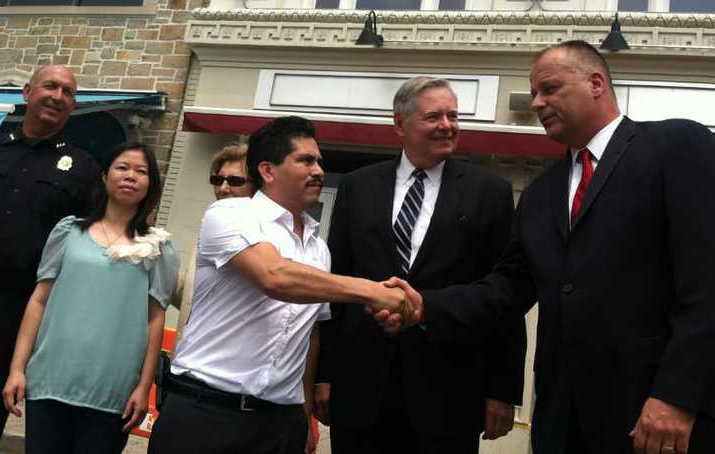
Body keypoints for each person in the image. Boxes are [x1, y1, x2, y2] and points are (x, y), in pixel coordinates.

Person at [378, 40, 715, 454]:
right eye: (534, 93)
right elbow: (508, 288)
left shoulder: (675, 146)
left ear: (596, 83)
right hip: (562, 420)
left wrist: (678, 395)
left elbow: (706, 282)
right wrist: (425, 306)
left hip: (656, 419)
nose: (537, 103)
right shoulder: (541, 193)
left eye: (549, 88)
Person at [147, 116, 412, 454]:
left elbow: (308, 337)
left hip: (279, 424)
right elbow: (274, 276)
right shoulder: (230, 213)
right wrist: (373, 291)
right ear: (268, 171)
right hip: (206, 412)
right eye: (305, 160)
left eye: (319, 161)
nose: (318, 170)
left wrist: (303, 420)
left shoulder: (318, 247)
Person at [315, 77, 526, 454]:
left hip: (449, 393)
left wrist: (501, 390)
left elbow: (505, 295)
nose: (447, 125)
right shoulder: (356, 187)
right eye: (434, 116)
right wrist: (324, 375)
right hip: (361, 388)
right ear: (400, 124)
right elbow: (336, 284)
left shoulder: (489, 192)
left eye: (453, 115)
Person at [1, 142, 179, 453]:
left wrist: (143, 386)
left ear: (151, 184)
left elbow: (155, 318)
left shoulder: (158, 247)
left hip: (113, 391)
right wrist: (18, 369)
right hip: (50, 380)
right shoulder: (69, 232)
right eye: (122, 167)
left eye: (141, 171)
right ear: (104, 176)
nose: (130, 176)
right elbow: (39, 300)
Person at [0, 64, 100, 446]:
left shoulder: (84, 168)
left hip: (17, 311)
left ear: (73, 106)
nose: (58, 96)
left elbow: (88, 240)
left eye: (68, 92)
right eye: (50, 86)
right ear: (27, 92)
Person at [172, 143, 252, 339]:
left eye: (235, 181)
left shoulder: (264, 232)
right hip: (187, 355)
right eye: (218, 180)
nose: (223, 188)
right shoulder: (211, 226)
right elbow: (190, 298)